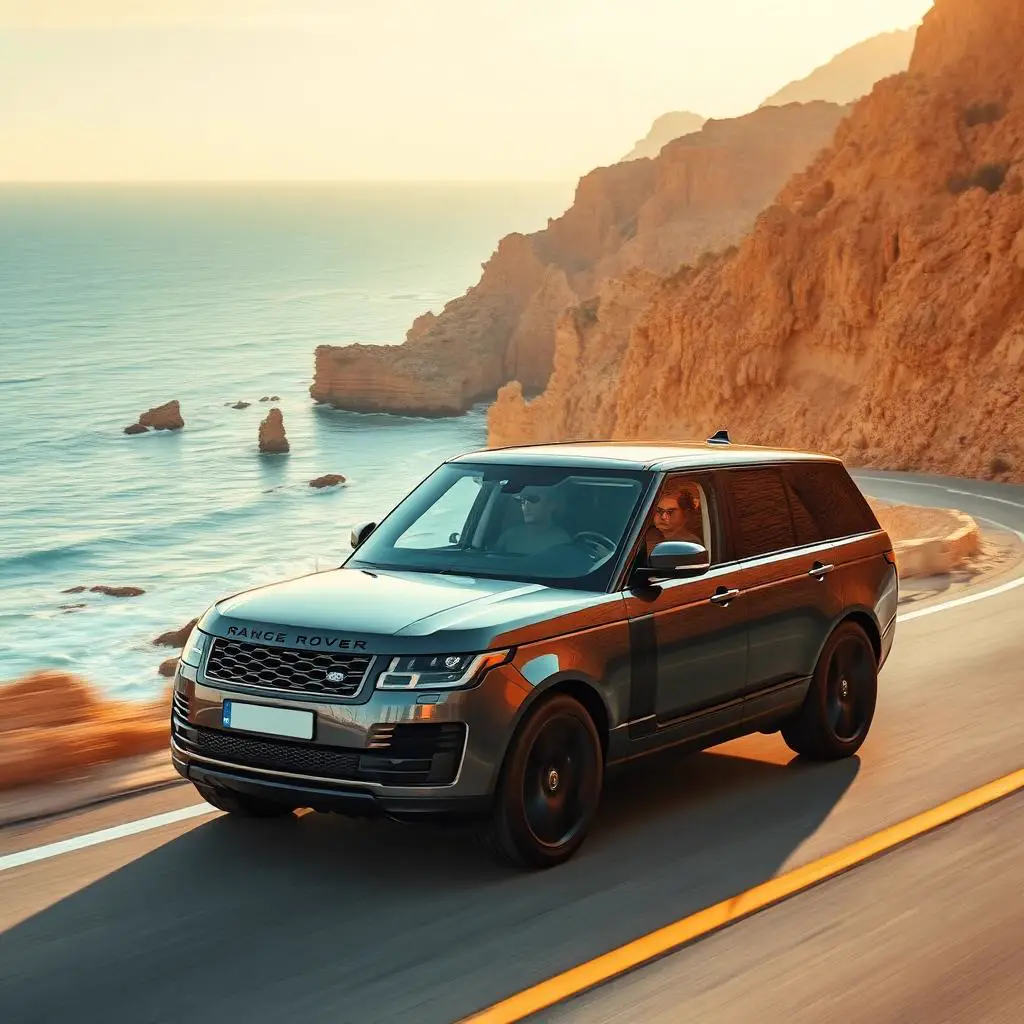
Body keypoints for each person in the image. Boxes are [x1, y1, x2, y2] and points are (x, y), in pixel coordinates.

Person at [495, 485, 571, 555]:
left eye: (533, 499)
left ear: (552, 505)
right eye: (523, 501)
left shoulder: (561, 540)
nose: (526, 507)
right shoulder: (509, 537)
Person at [644, 480, 705, 551]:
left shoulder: (690, 544)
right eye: (659, 510)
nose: (663, 517)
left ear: (685, 513)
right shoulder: (647, 535)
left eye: (670, 511)